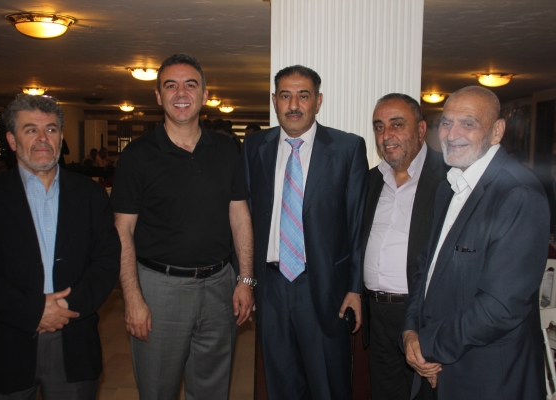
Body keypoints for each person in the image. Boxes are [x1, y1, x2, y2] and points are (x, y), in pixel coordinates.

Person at [0, 95, 121, 398]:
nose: (43, 138)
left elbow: (107, 261)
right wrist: (33, 311)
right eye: (31, 129)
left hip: (73, 338)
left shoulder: (91, 195)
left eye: (51, 129)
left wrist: (65, 308)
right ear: (12, 140)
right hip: (6, 342)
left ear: (61, 137)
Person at [110, 53, 254, 400]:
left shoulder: (227, 149)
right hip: (159, 289)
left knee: (212, 390)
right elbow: (122, 230)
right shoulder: (138, 155)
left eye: (190, 84)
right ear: (158, 96)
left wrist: (245, 280)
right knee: (158, 389)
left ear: (205, 94)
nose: (181, 93)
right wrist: (133, 298)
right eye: (170, 85)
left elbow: (240, 216)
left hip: (219, 287)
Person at [401, 86, 549, 400]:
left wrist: (426, 345)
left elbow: (500, 307)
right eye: (446, 122)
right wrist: (411, 330)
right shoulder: (449, 186)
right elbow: (425, 269)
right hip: (436, 368)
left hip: (489, 378)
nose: (452, 134)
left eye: (468, 123)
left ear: (497, 131)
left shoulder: (518, 193)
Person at [242, 65, 368, 399]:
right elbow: (245, 217)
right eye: (285, 96)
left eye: (303, 95)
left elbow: (356, 225)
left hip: (324, 288)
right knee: (281, 384)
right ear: (274, 100)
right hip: (271, 287)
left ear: (318, 101)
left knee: (328, 384)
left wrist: (355, 287)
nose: (294, 105)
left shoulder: (347, 148)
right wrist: (246, 281)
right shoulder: (254, 146)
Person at [362, 93, 446, 399]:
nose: (386, 135)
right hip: (377, 314)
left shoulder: (448, 178)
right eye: (379, 127)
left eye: (397, 125)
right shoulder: (370, 181)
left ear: (421, 129)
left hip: (423, 317)